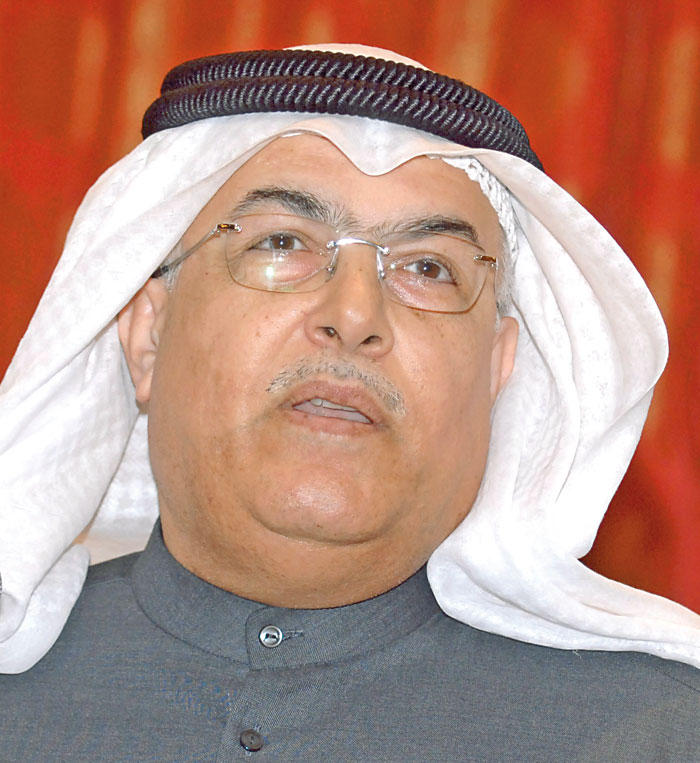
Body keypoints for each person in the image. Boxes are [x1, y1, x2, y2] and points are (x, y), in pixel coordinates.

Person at [0, 44, 697, 760]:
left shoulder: (660, 734)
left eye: (428, 268)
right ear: (148, 334)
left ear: (498, 370)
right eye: (282, 241)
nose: (355, 314)